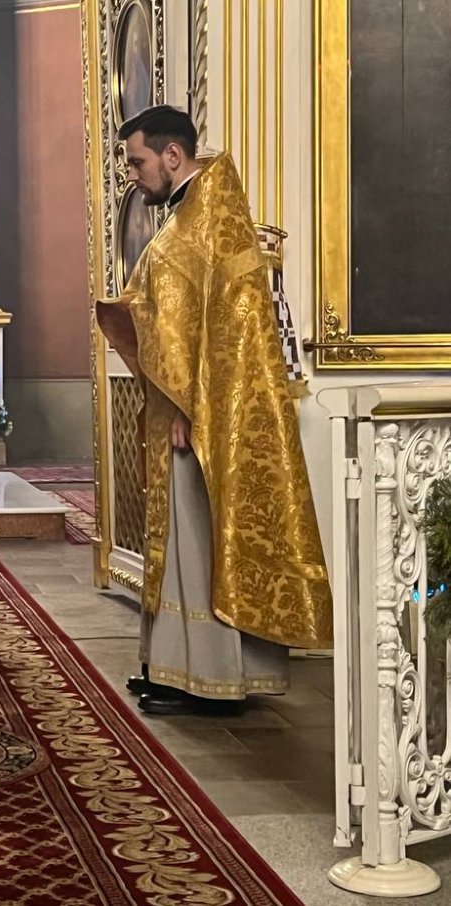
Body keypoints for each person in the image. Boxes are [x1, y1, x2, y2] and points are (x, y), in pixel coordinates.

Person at [96, 105, 332, 715]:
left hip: (197, 417)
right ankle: (173, 667)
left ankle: (213, 677)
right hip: (182, 408)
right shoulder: (192, 215)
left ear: (172, 155)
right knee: (181, 541)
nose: (133, 175)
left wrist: (189, 406)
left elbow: (221, 332)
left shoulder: (208, 219)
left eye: (138, 162)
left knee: (201, 540)